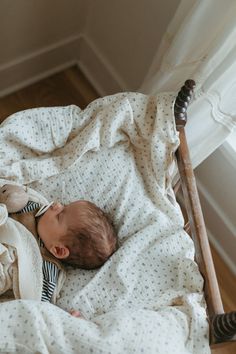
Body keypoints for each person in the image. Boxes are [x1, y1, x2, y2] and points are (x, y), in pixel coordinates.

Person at [0, 184, 118, 307]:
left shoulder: (47, 269)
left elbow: (38, 304)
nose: (57, 205)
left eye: (59, 215)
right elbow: (10, 200)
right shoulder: (33, 209)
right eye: (64, 205)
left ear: (59, 250)